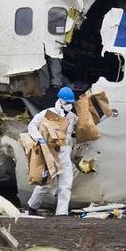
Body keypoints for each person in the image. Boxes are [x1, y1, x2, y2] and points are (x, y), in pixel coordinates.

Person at [26, 86, 78, 216]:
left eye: (71, 103)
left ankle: (61, 213)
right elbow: (32, 125)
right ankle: (32, 205)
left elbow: (79, 130)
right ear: (60, 101)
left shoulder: (72, 117)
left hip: (65, 155)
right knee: (45, 184)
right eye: (67, 103)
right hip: (51, 154)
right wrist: (40, 139)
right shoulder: (47, 113)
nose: (69, 106)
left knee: (66, 185)